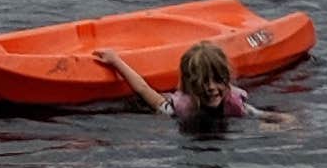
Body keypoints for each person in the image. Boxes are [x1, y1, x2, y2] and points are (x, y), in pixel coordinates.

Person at [104, 37, 252, 131]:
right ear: (190, 85)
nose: (212, 87)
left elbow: (258, 114)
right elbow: (144, 90)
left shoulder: (236, 104)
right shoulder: (176, 108)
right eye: (203, 82)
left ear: (227, 79)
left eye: (218, 80)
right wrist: (115, 61)